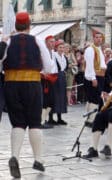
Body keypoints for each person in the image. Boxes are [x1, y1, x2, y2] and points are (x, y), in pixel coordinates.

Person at [0, 12, 54, 178]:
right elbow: (49, 67)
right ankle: (38, 159)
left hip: (11, 85)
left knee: (17, 122)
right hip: (32, 84)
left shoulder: (7, 42)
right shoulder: (37, 41)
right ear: (29, 25)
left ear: (15, 26)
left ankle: (15, 156)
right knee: (34, 122)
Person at [84, 30, 107, 127]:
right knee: (94, 99)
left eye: (100, 37)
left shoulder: (99, 49)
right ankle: (91, 119)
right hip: (94, 76)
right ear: (93, 38)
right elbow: (89, 65)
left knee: (93, 98)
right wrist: (93, 78)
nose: (99, 39)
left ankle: (89, 118)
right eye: (97, 37)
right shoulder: (90, 49)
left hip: (100, 76)